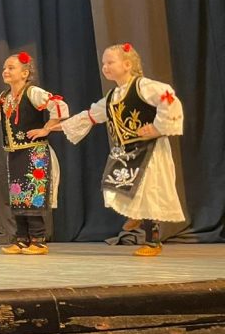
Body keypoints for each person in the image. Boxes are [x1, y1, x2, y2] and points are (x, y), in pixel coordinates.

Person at [60, 43, 184, 256]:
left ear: (127, 64)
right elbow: (92, 115)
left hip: (150, 150)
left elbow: (168, 97)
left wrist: (158, 127)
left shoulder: (143, 86)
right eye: (103, 63)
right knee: (114, 185)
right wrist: (60, 126)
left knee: (149, 192)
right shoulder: (113, 96)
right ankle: (136, 213)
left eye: (110, 62)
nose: (105, 67)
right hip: (126, 152)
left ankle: (152, 242)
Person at [0, 52, 67, 254]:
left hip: (35, 154)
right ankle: (21, 239)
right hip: (15, 154)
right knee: (18, 197)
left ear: (25, 73)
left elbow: (59, 106)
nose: (5, 71)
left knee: (33, 196)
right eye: (4, 68)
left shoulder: (32, 92)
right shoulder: (4, 98)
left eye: (11, 68)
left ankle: (38, 240)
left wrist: (46, 129)